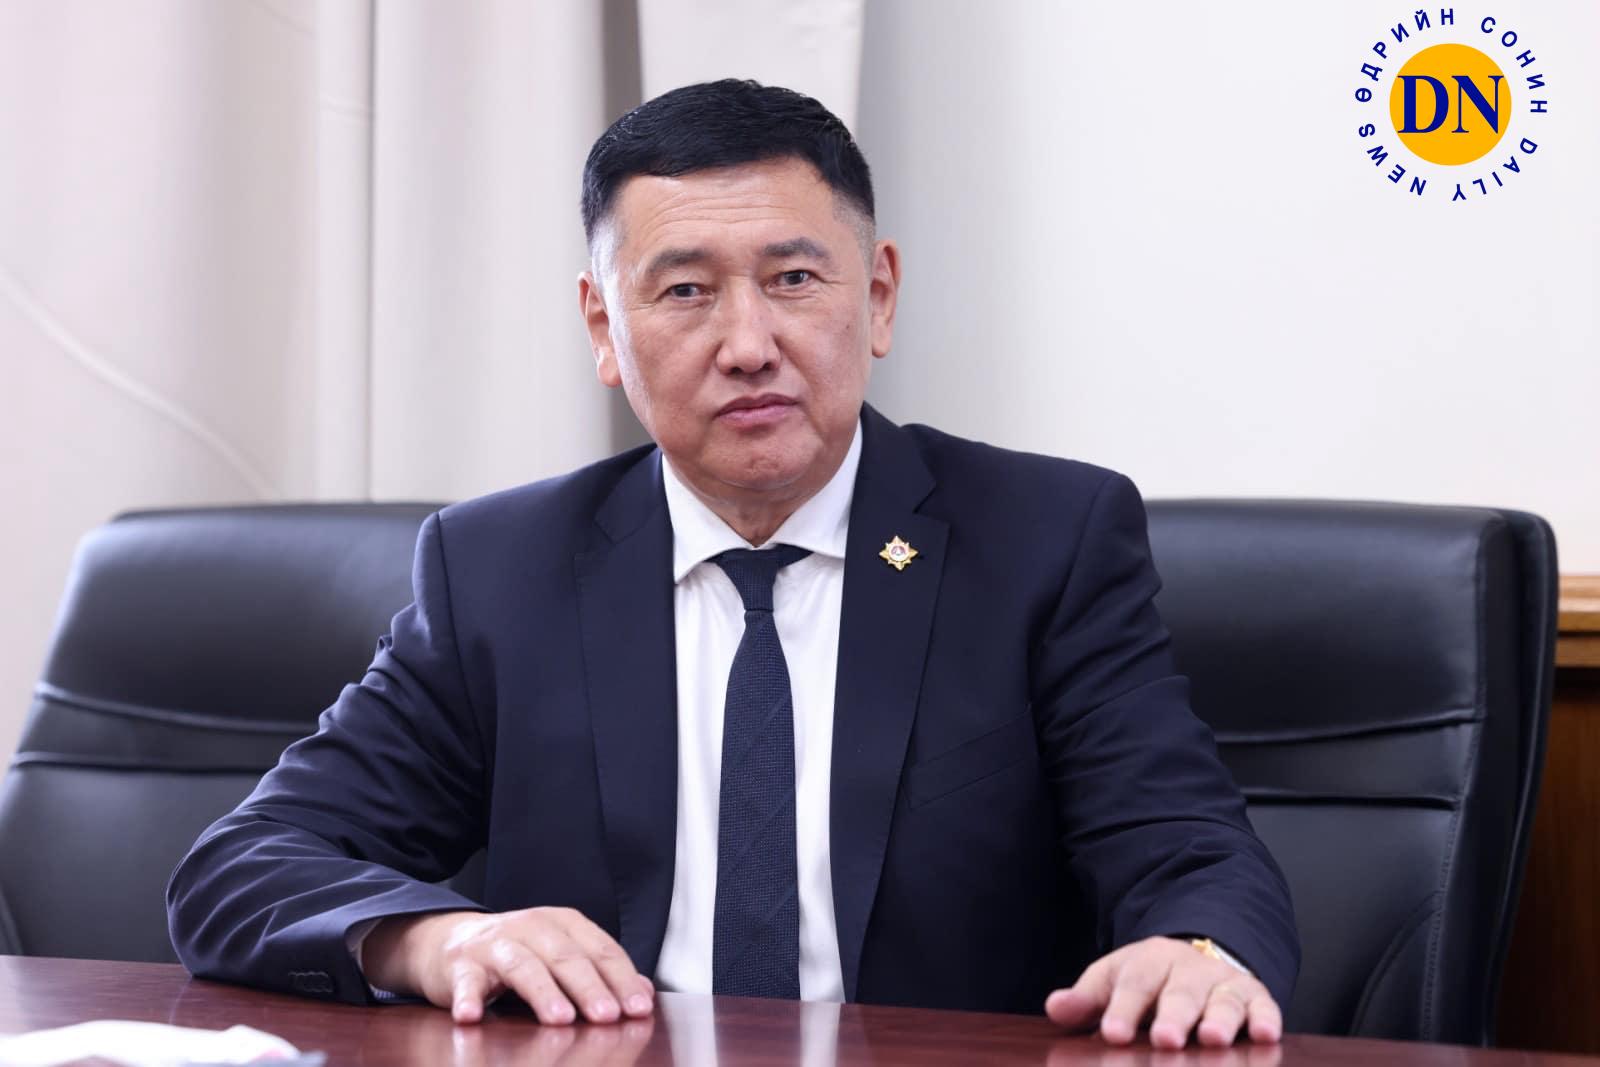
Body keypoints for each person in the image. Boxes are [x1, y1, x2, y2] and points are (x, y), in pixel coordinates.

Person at [167, 79, 1298, 1050]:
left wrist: (1195, 950)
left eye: (794, 279)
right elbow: (245, 866)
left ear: (879, 295)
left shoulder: (1044, 539)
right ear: (604, 329)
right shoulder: (500, 569)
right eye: (685, 290)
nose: (749, 344)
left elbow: (1190, 850)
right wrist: (438, 938)